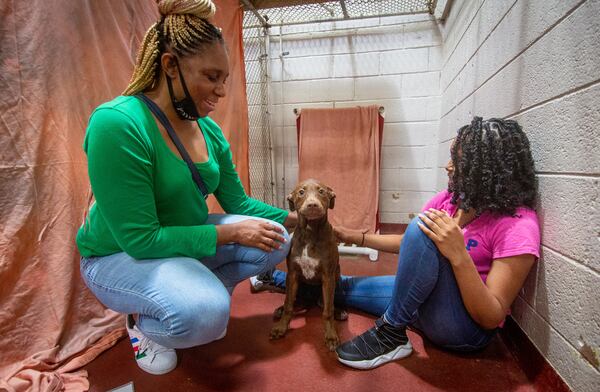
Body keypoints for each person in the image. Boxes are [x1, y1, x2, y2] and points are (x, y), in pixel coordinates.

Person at [76, 0, 296, 375]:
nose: (221, 91)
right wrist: (231, 233)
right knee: (205, 316)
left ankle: (195, 297)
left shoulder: (207, 129)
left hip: (177, 241)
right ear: (169, 65)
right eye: (211, 77)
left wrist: (297, 219)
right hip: (117, 255)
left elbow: (237, 201)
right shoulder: (118, 124)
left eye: (224, 79)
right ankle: (144, 325)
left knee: (278, 237)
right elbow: (142, 241)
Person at [252, 116, 540, 370]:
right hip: (423, 300)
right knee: (340, 286)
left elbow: (491, 316)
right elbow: (408, 243)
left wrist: (458, 255)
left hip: (463, 327)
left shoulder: (518, 225)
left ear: (487, 170)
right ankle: (272, 276)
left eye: (459, 161)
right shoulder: (452, 200)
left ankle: (391, 333)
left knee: (420, 225)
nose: (448, 166)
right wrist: (355, 237)